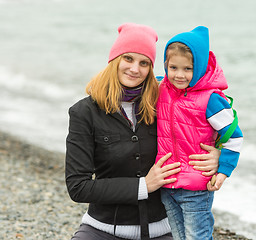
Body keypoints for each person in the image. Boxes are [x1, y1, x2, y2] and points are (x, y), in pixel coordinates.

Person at [65, 23, 220, 240]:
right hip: (102, 230)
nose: (135, 69)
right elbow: (78, 187)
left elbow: (214, 119)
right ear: (114, 60)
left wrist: (217, 154)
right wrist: (143, 186)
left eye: (144, 62)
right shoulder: (84, 112)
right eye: (128, 58)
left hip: (165, 230)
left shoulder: (165, 103)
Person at [155, 26, 244, 240]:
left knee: (197, 237)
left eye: (187, 69)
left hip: (196, 187)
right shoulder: (160, 88)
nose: (179, 75)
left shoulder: (211, 99)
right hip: (167, 184)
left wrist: (222, 172)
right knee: (178, 236)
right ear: (166, 65)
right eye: (173, 67)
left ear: (200, 67)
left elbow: (234, 137)